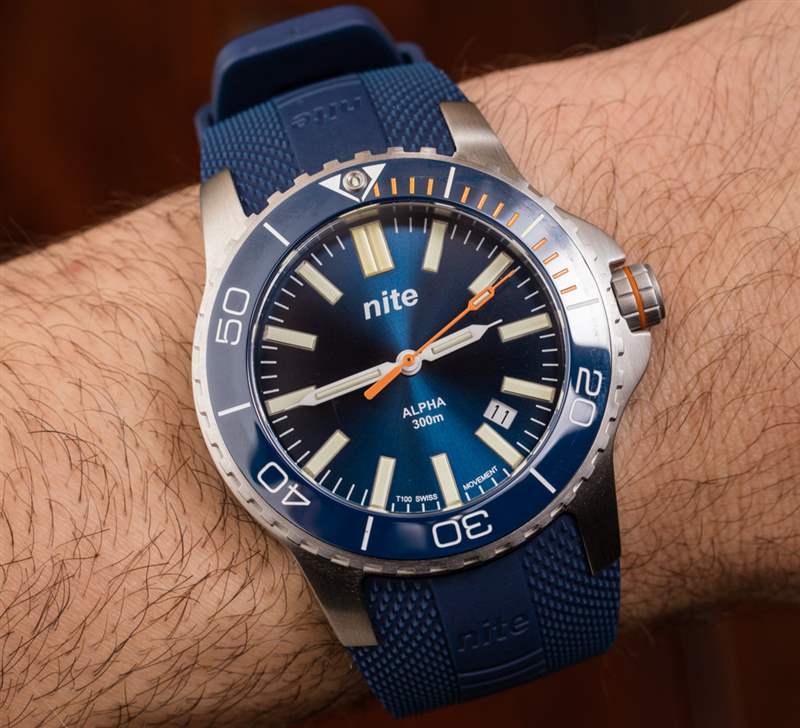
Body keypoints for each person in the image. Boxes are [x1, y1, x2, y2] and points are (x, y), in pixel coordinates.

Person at [1, 1, 798, 724]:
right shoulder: (333, 203)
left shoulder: (467, 168)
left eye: (419, 353)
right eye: (401, 358)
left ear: (628, 300)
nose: (410, 359)